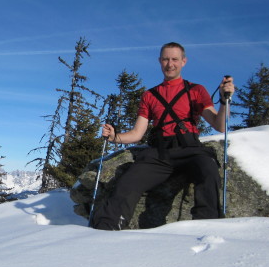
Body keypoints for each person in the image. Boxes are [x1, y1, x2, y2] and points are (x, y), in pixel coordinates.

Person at [91, 42, 235, 231]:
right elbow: (137, 134)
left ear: (184, 61)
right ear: (160, 61)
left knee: (208, 170)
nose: (170, 64)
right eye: (166, 59)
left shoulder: (197, 90)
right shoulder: (150, 96)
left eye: (175, 59)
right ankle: (107, 228)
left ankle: (206, 228)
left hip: (190, 149)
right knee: (129, 181)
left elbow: (219, 124)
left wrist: (225, 101)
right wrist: (115, 137)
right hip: (159, 153)